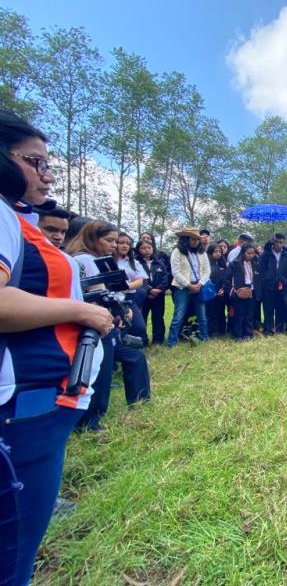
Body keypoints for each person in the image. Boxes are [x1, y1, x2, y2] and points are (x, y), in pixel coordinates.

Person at [0, 110, 113, 585]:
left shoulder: (16, 217)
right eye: (35, 162)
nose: (47, 175)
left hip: (38, 407)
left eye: (49, 164)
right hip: (19, 408)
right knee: (12, 561)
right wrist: (82, 312)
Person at [69, 221, 152, 428]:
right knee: (101, 371)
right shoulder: (85, 260)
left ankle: (140, 400)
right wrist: (116, 310)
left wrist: (120, 310)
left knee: (134, 356)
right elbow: (97, 293)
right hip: (94, 325)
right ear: (92, 238)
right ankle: (89, 421)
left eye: (116, 241)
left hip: (106, 321)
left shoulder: (93, 259)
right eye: (109, 240)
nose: (114, 245)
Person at [166, 227, 210, 347]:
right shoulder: (177, 252)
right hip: (182, 287)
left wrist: (200, 283)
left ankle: (204, 337)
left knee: (202, 315)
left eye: (197, 239)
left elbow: (207, 271)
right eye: (193, 239)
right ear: (186, 239)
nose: (195, 241)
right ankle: (172, 342)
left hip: (199, 286)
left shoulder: (202, 252)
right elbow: (175, 272)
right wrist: (188, 285)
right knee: (178, 315)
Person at [113, 232, 148, 345]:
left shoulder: (133, 262)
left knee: (139, 327)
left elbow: (140, 281)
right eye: (121, 243)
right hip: (113, 298)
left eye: (128, 244)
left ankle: (134, 348)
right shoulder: (109, 260)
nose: (125, 246)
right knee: (116, 325)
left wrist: (125, 287)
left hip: (129, 297)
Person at [135, 239, 169, 345]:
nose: (146, 250)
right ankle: (143, 340)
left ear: (153, 249)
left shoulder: (159, 263)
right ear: (138, 250)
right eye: (143, 248)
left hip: (158, 295)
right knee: (142, 317)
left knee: (158, 317)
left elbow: (165, 277)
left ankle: (158, 340)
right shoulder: (136, 263)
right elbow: (138, 279)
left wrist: (159, 289)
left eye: (149, 248)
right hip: (143, 296)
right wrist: (149, 290)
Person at [227, 243, 258, 340]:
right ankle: (237, 335)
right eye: (249, 253)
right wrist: (232, 291)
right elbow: (227, 278)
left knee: (249, 314)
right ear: (243, 253)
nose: (251, 255)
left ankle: (247, 334)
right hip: (239, 291)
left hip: (251, 290)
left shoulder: (255, 263)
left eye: (253, 253)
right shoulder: (234, 264)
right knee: (239, 314)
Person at [260, 233, 287, 335]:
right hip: (269, 285)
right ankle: (269, 329)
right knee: (268, 308)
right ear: (273, 243)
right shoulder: (266, 254)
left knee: (280, 308)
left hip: (282, 285)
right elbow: (262, 269)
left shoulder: (286, 254)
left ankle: (279, 329)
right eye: (277, 242)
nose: (279, 244)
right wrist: (265, 280)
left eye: (281, 242)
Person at [205, 243, 228, 337]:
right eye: (216, 251)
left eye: (220, 252)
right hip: (210, 293)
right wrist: (212, 291)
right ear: (211, 253)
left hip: (221, 293)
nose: (218, 253)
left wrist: (223, 289)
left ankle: (221, 332)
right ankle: (212, 333)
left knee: (221, 312)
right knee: (210, 313)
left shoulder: (223, 265)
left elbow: (227, 279)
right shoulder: (207, 265)